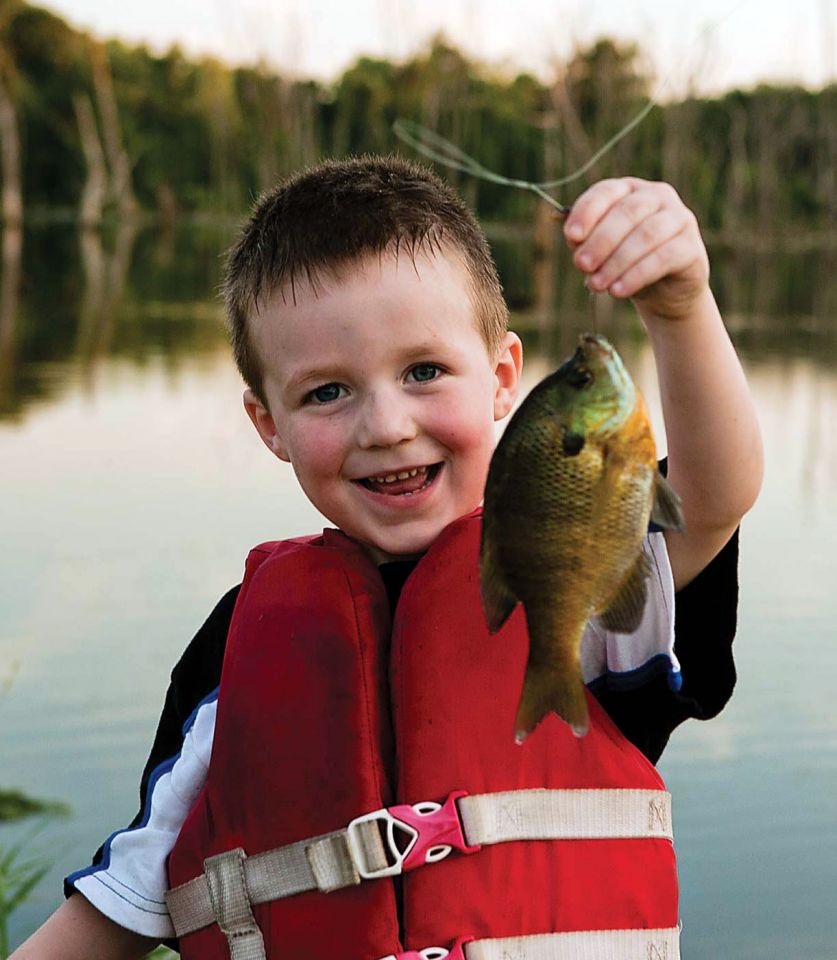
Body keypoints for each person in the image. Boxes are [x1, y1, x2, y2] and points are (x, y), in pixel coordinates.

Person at [11, 156, 762, 960]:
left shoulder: (566, 573)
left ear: (502, 378)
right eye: (327, 392)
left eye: (424, 371)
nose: (387, 425)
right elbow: (123, 903)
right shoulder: (238, 645)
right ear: (269, 425)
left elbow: (714, 498)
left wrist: (679, 308)